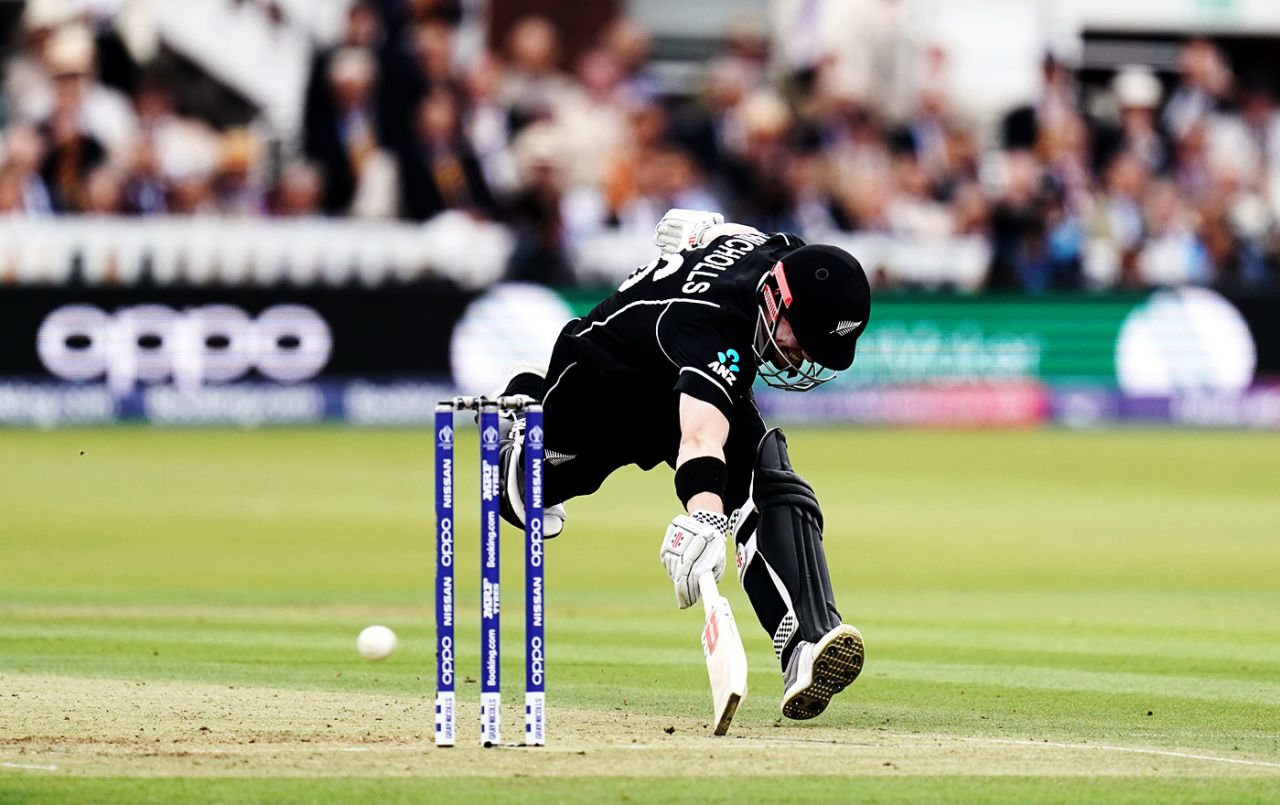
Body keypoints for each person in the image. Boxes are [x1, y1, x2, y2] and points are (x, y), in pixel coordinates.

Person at [496, 209, 871, 720]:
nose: (800, 355)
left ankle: (806, 644)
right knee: (525, 494)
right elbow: (699, 436)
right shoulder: (714, 326)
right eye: (800, 337)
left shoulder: (785, 253)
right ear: (777, 298)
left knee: (768, 477)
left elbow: (731, 235)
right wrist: (706, 519)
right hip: (601, 389)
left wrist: (703, 230)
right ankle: (523, 411)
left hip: (679, 379)